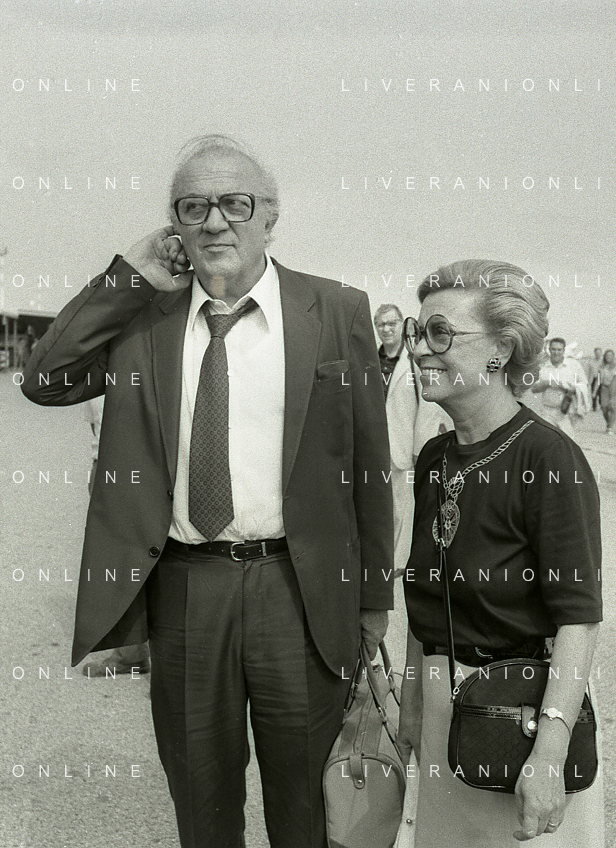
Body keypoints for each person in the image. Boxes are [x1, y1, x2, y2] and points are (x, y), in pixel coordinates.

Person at [22, 134, 393, 848]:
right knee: (202, 804)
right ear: (174, 225)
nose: (215, 222)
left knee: (306, 810)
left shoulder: (336, 310)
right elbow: (45, 379)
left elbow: (370, 468)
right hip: (188, 591)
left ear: (270, 217)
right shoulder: (143, 320)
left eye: (234, 204)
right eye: (193, 207)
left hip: (299, 592)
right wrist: (126, 276)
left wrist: (374, 599)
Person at [395, 260, 604, 846]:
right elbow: (426, 598)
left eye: (441, 333)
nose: (420, 349)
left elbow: (579, 618)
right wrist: (412, 706)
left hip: (521, 716)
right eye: (418, 331)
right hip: (444, 711)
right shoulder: (435, 458)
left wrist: (549, 754)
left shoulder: (548, 458)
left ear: (501, 350)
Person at [377, 303, 453, 578]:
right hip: (376, 445)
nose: (386, 329)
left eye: (392, 323)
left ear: (402, 326)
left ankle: (401, 560)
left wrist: (420, 447)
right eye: (381, 324)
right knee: (381, 505)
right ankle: (385, 553)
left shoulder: (412, 361)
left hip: (403, 444)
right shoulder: (372, 360)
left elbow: (428, 405)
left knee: (404, 504)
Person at [78, 394, 151, 676]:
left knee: (133, 557)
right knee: (122, 559)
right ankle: (132, 651)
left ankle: (140, 654)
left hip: (141, 461)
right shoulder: (100, 371)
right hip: (109, 461)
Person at [529, 338, 591, 439]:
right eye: (553, 349)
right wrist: (548, 383)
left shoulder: (574, 365)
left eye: (559, 349)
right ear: (549, 349)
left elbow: (584, 384)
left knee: (567, 441)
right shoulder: (543, 367)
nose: (556, 352)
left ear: (564, 350)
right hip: (547, 411)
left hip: (567, 411)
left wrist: (571, 388)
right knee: (547, 440)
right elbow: (534, 389)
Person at [597, 349, 616, 434]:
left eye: (610, 355)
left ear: (613, 357)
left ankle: (610, 427)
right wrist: (594, 392)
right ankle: (609, 423)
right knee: (604, 408)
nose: (608, 357)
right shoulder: (602, 367)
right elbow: (599, 380)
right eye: (607, 355)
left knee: (613, 408)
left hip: (615, 388)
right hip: (604, 388)